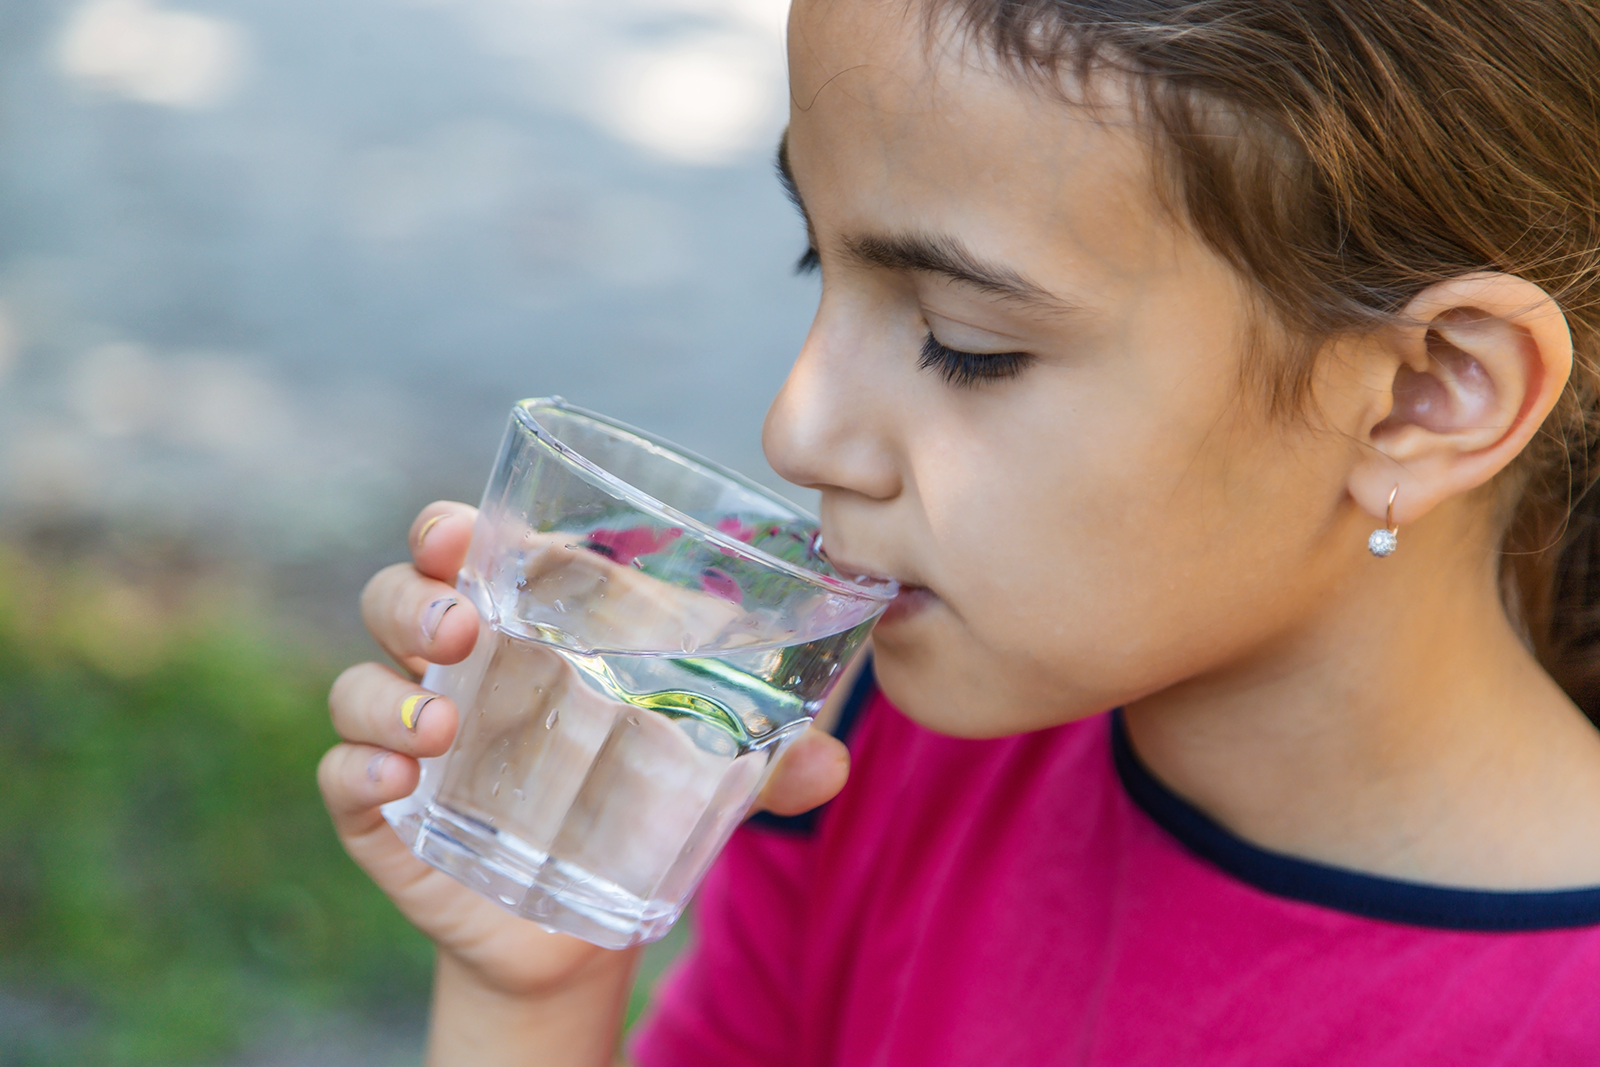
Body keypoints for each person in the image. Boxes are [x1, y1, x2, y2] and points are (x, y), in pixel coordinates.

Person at [317, 0, 1600, 1062]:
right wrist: (534, 983)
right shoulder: (878, 754)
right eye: (818, 265)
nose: (796, 429)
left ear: (1424, 397)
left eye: (964, 346)